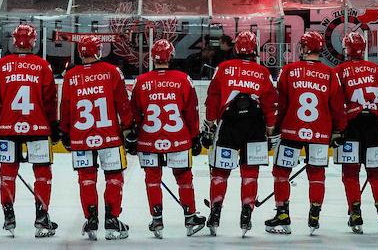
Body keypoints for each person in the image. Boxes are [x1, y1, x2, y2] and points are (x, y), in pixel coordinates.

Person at [0, 23, 60, 238]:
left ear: (13, 41)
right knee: (42, 174)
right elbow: (50, 101)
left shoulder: (1, 66)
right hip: (38, 128)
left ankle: (8, 216)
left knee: (8, 173)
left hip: (7, 128)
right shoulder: (43, 66)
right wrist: (54, 125)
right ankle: (42, 218)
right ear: (34, 41)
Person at [201, 30, 278, 236]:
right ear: (254, 49)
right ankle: (247, 212)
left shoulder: (223, 68)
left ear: (236, 48)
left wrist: (209, 123)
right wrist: (270, 127)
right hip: (254, 127)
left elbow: (213, 98)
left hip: (229, 125)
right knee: (250, 173)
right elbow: (270, 104)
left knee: (220, 172)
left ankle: (215, 211)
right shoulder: (263, 72)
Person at [268, 30, 344, 235]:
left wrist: (275, 127)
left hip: (291, 131)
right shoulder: (330, 74)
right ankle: (314, 214)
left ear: (304, 48)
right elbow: (337, 106)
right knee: (317, 173)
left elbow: (281, 104)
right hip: (320, 132)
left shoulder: (288, 70)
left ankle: (282, 214)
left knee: (281, 172)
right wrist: (337, 130)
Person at [59, 35, 133, 240]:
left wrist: (64, 130)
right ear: (99, 50)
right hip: (109, 137)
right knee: (114, 177)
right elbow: (123, 103)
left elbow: (65, 106)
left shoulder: (71, 75)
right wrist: (128, 127)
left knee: (86, 179)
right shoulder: (112, 72)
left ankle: (91, 218)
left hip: (81, 137)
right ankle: (112, 219)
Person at [130, 38, 206, 237]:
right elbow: (192, 112)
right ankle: (190, 218)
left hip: (148, 139)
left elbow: (134, 114)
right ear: (170, 56)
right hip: (178, 140)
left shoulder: (141, 81)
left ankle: (157, 221)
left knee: (152, 179)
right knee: (184, 177)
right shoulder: (183, 79)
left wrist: (133, 135)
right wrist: (195, 136)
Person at [334, 29, 378, 233]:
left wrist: (336, 128)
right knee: (376, 172)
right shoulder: (377, 69)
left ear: (347, 49)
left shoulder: (340, 71)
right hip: (373, 127)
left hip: (350, 127)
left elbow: (336, 102)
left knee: (350, 173)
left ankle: (355, 213)